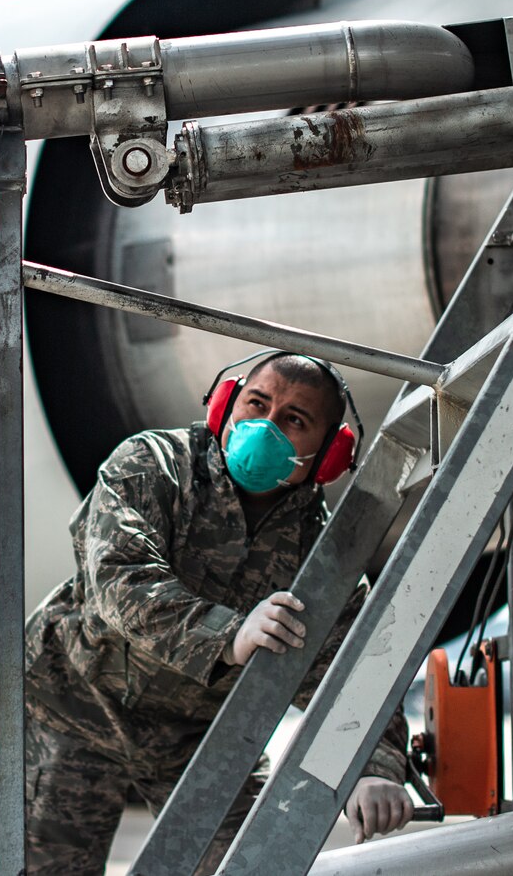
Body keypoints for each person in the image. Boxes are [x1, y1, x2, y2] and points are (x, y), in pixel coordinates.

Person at [22, 352, 413, 875]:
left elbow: (352, 669)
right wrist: (230, 635)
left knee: (246, 867)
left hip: (200, 735)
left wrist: (372, 765)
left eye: (294, 421)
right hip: (72, 707)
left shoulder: (323, 556)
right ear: (226, 404)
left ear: (327, 457)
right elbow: (120, 582)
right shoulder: (151, 465)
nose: (266, 426)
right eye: (256, 403)